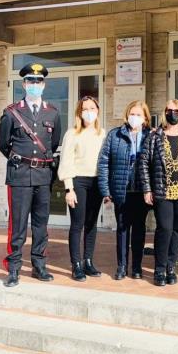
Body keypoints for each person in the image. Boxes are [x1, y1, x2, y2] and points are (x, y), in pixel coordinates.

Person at [0, 62, 61, 287]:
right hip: (20, 175)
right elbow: (3, 144)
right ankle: (13, 267)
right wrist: (22, 160)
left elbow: (54, 143)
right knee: (18, 225)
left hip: (43, 177)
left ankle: (39, 265)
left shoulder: (52, 112)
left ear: (44, 85)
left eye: (39, 81)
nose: (35, 85)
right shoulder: (12, 112)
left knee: (41, 225)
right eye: (31, 81)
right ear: (24, 84)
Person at [140, 100, 178, 286]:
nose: (173, 113)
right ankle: (160, 268)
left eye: (177, 110)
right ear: (165, 113)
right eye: (169, 110)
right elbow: (144, 163)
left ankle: (171, 267)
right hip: (163, 190)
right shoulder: (155, 136)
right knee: (165, 229)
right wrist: (147, 188)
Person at [98, 100, 152, 280]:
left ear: (145, 118)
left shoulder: (150, 136)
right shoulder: (115, 135)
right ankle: (121, 266)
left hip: (141, 190)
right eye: (132, 114)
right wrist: (106, 190)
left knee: (139, 229)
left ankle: (136, 267)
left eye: (138, 114)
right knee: (122, 228)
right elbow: (104, 162)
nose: (134, 117)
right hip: (122, 190)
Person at [57, 95, 106, 282]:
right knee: (77, 224)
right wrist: (69, 189)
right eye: (85, 109)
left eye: (92, 108)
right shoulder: (72, 134)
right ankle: (76, 264)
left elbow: (105, 162)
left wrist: (106, 187)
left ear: (97, 111)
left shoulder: (102, 133)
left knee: (92, 224)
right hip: (78, 182)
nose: (89, 112)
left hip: (97, 183)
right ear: (79, 112)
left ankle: (88, 261)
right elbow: (66, 162)